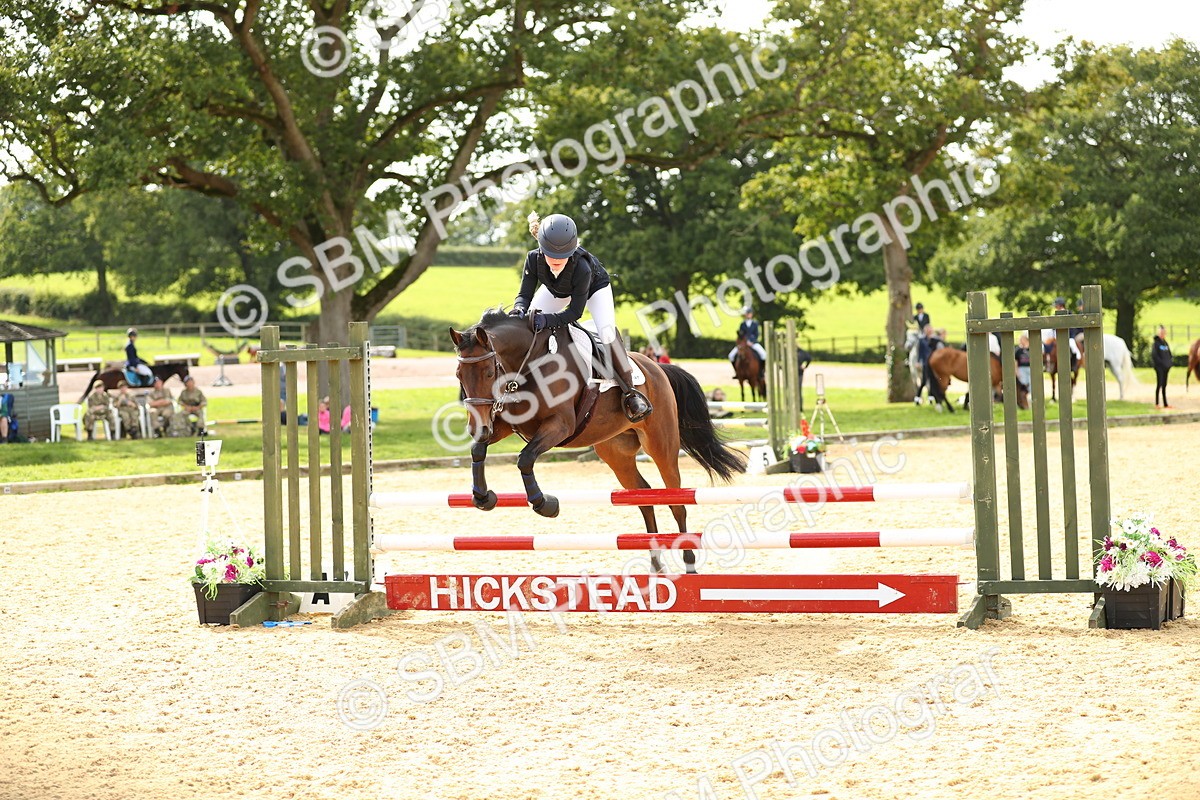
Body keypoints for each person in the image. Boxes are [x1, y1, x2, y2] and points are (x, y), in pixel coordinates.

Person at [511, 212, 651, 422]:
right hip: (556, 289)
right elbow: (524, 295)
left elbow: (575, 313)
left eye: (563, 255)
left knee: (606, 332)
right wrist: (519, 309)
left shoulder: (582, 267)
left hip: (594, 289)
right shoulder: (533, 258)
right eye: (552, 255)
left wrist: (547, 320)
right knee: (524, 324)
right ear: (541, 248)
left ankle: (631, 392)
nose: (557, 260)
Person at [1152, 326, 1173, 409]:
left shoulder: (1165, 343)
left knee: (1164, 385)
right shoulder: (1156, 344)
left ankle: (1165, 404)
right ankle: (1157, 403)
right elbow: (1155, 356)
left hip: (1166, 368)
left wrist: (1170, 363)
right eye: (1161, 333)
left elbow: (1169, 354)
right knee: (1159, 384)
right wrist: (1162, 364)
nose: (1162, 334)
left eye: (1164, 333)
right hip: (1159, 367)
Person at [796, 345, 811, 411]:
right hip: (791, 373)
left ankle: (800, 407)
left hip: (799, 373)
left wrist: (805, 366)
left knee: (799, 390)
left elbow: (809, 358)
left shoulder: (801, 352)